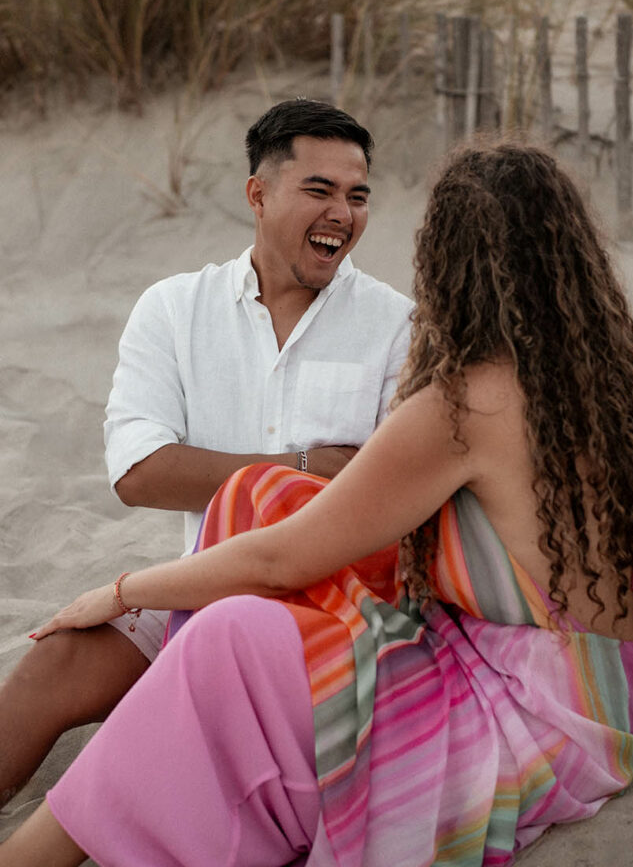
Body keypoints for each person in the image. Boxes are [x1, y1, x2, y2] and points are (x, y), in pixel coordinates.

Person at [1, 143, 633, 867]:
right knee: (270, 493)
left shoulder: (465, 405)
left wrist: (115, 592)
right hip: (604, 704)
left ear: (446, 264)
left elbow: (275, 562)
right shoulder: (621, 403)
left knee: (229, 639)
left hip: (523, 725)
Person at [0, 99, 412, 808]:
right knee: (55, 661)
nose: (341, 213)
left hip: (339, 609)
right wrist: (307, 467)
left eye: (356, 195)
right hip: (200, 589)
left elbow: (390, 499)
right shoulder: (173, 308)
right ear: (258, 194)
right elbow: (139, 472)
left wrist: (231, 467)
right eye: (318, 190)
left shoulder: (397, 325)